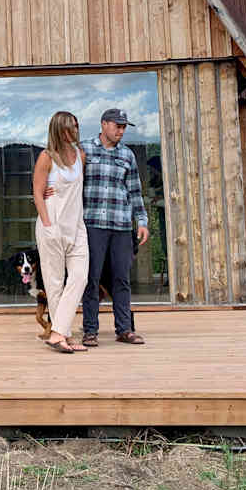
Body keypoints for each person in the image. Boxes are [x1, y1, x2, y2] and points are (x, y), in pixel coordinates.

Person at [80, 108, 149, 347]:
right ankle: (90, 331)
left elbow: (135, 191)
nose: (121, 131)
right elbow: (69, 182)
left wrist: (142, 221)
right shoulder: (84, 149)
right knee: (91, 278)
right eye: (117, 126)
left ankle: (124, 330)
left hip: (121, 225)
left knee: (121, 278)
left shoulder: (127, 155)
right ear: (104, 124)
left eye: (123, 127)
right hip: (92, 225)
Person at [32, 111, 90, 354]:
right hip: (52, 226)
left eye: (76, 127)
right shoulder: (46, 157)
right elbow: (37, 192)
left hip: (76, 227)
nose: (74, 131)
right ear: (58, 129)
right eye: (69, 127)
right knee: (54, 284)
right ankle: (62, 335)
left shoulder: (80, 156)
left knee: (79, 277)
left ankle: (57, 332)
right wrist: (48, 224)